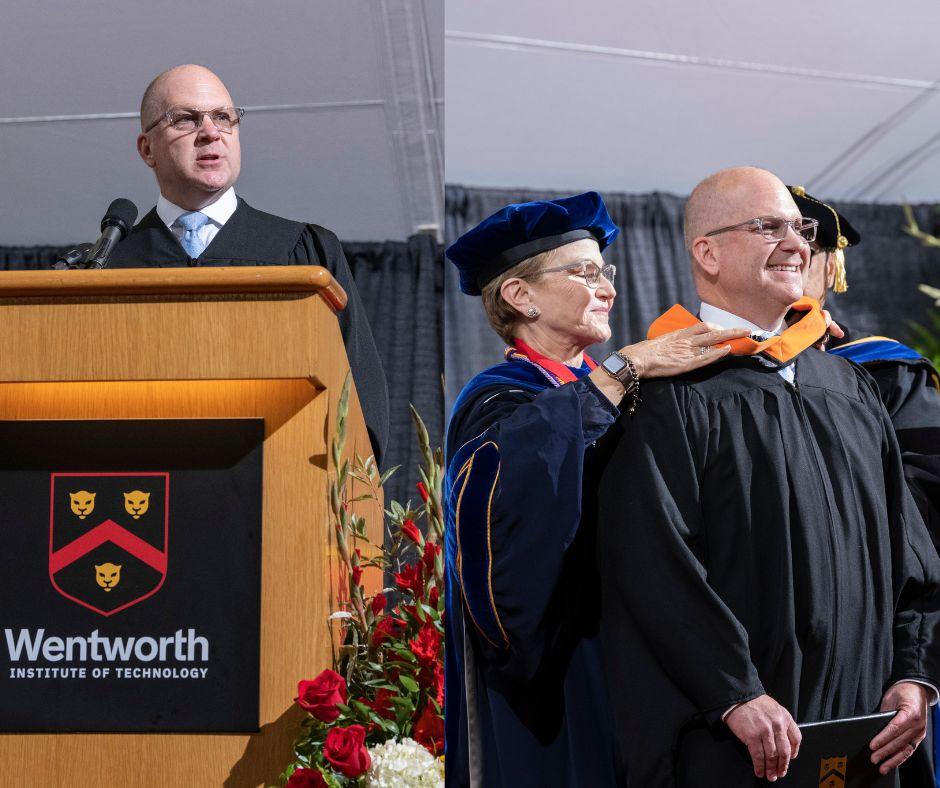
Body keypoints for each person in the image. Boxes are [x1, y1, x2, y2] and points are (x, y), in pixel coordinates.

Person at [595, 167, 940, 787]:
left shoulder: (849, 386)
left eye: (799, 228)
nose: (797, 244)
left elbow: (910, 550)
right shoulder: (669, 392)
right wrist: (733, 691)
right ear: (708, 252)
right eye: (767, 227)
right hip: (739, 740)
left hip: (866, 731)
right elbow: (651, 564)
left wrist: (915, 674)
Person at [443, 192, 752, 787]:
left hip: (649, 659)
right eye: (584, 272)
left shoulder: (620, 389)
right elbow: (513, 490)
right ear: (520, 295)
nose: (607, 288)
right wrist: (625, 368)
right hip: (564, 666)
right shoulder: (496, 399)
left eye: (605, 272)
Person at [108, 64, 389, 461]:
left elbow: (360, 399)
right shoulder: (110, 266)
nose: (210, 132)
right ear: (147, 149)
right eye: (185, 119)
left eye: (223, 117)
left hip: (281, 491)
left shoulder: (306, 251)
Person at [789, 185, 940, 785]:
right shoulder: (693, 373)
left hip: (872, 633)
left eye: (805, 244)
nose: (788, 255)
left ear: (830, 267)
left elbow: (929, 508)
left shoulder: (887, 372)